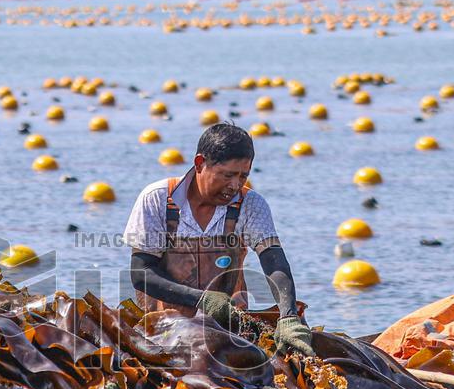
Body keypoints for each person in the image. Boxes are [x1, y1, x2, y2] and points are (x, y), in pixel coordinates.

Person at [123, 122, 314, 357]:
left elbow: (274, 261)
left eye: (243, 176)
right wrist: (203, 300)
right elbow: (142, 274)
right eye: (227, 175)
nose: (235, 185)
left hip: (231, 331)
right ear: (200, 164)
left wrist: (288, 316)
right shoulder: (158, 199)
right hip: (161, 332)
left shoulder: (251, 204)